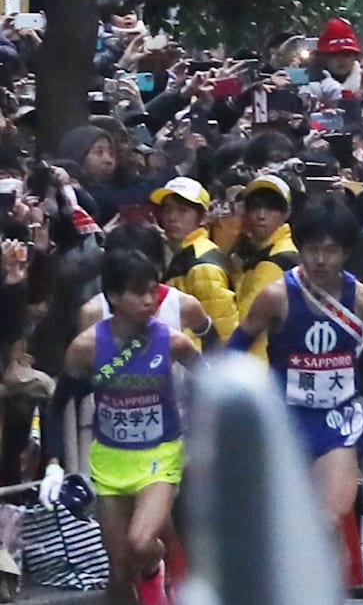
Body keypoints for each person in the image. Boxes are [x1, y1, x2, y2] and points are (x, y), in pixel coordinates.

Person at [230, 199, 363, 582]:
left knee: (328, 519)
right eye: (313, 248)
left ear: (346, 252)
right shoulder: (276, 297)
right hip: (285, 422)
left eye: (330, 250)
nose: (320, 260)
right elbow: (236, 347)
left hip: (338, 423)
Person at [60, 248, 201, 605]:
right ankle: (148, 573)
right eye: (139, 292)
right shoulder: (85, 347)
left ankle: (155, 564)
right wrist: (54, 462)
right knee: (121, 565)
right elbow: (61, 402)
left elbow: (210, 383)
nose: (150, 300)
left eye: (153, 291)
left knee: (141, 543)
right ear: (114, 297)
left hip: (160, 455)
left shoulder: (174, 342)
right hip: (109, 459)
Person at [153, 176, 238, 345]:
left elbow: (221, 328)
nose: (172, 217)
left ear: (203, 217)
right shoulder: (181, 252)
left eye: (183, 210)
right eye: (168, 209)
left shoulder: (202, 265)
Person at [231, 174, 299, 359]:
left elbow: (246, 320)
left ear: (286, 213)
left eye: (271, 208)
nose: (261, 215)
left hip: (259, 362)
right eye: (255, 207)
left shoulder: (275, 260)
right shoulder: (262, 251)